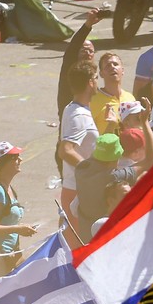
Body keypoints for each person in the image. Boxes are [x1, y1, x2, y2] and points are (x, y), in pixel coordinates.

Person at [0, 141, 39, 281]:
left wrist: (22, 228)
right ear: (5, 163)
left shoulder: (8, 188)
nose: (20, 159)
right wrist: (18, 229)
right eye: (15, 157)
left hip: (7, 254)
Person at [58, 61, 99, 239]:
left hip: (75, 188)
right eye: (96, 78)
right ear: (90, 82)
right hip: (78, 191)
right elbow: (65, 150)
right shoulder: (79, 115)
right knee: (76, 250)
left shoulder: (74, 108)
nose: (98, 82)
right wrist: (91, 173)